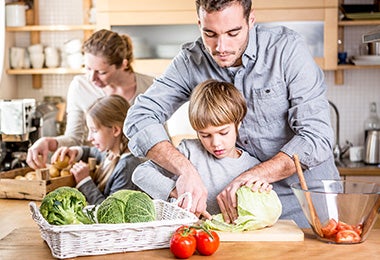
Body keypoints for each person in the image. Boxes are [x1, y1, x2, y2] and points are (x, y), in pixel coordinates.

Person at [124, 0, 339, 228]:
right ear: (199, 24)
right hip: (239, 207)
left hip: (306, 197)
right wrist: (185, 170)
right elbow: (139, 118)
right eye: (210, 34)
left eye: (233, 32)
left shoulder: (286, 50)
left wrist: (250, 176)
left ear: (251, 20)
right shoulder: (190, 61)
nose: (221, 47)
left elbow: (317, 137)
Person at [132, 79, 271, 215]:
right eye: (205, 135)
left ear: (238, 124)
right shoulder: (189, 151)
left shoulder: (253, 167)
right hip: (189, 235)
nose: (216, 143)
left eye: (223, 133)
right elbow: (140, 174)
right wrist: (177, 190)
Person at [27, 29, 154, 169]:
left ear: (123, 64)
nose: (91, 78)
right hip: (102, 173)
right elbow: (74, 138)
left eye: (101, 72)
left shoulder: (150, 87)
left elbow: (159, 138)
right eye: (87, 68)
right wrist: (48, 142)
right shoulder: (80, 87)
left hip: (145, 172)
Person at [51, 95, 143, 205]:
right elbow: (91, 152)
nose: (89, 138)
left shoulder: (127, 167)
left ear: (115, 130)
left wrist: (84, 181)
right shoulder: (109, 152)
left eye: (94, 130)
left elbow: (111, 214)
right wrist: (74, 152)